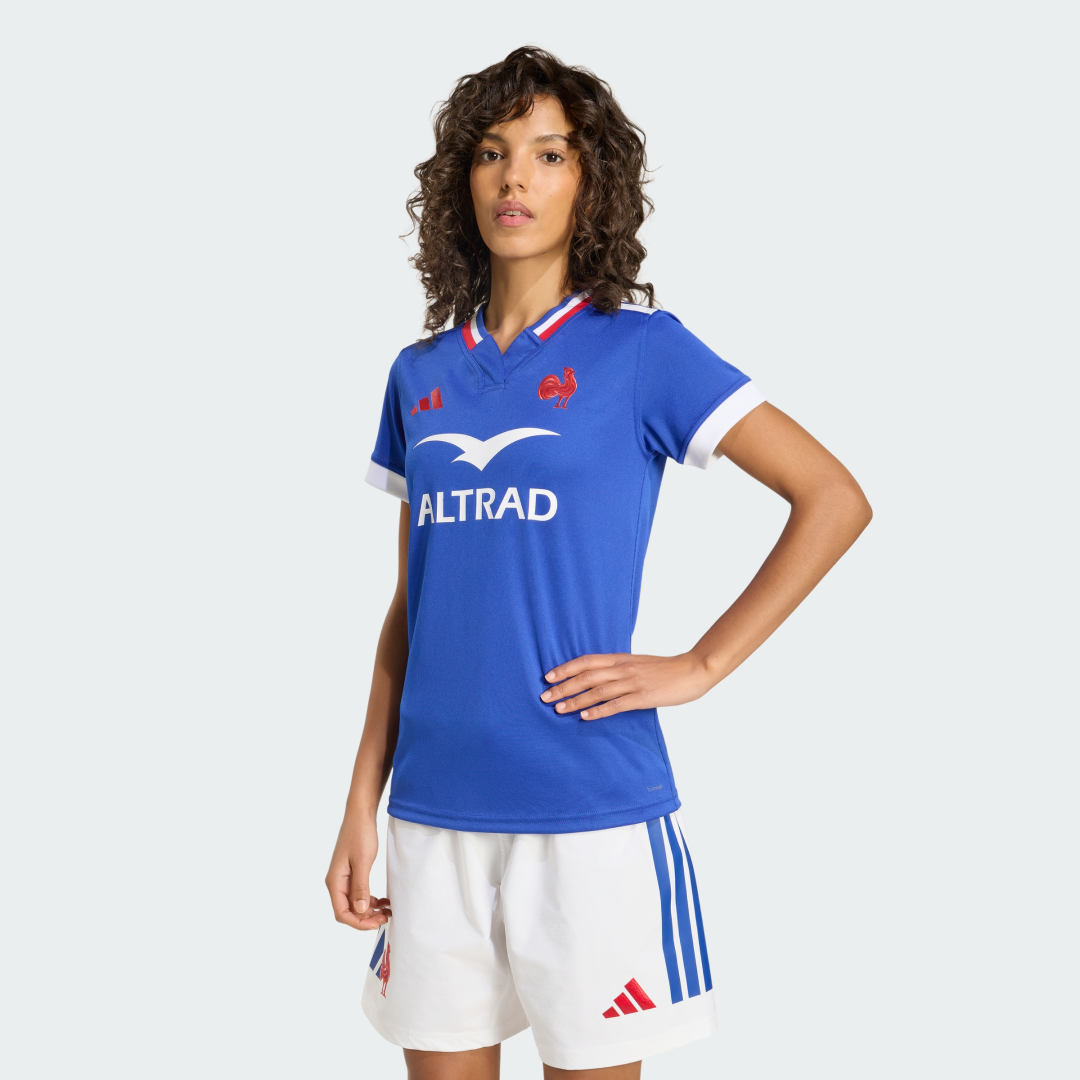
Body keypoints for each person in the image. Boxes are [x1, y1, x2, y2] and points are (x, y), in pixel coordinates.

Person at [326, 45, 872, 1080]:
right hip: (432, 813)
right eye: (492, 153)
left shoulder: (641, 351)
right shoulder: (419, 372)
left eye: (549, 154)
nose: (515, 179)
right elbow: (413, 604)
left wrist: (701, 665)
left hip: (588, 811)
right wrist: (363, 798)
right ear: (462, 180)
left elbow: (833, 498)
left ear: (591, 182)